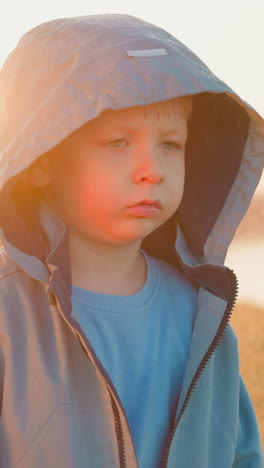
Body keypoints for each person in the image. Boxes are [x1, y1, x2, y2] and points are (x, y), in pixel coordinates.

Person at [0, 13, 263, 468]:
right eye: (118, 142)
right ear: (41, 160)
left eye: (170, 145)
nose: (152, 169)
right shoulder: (8, 313)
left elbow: (241, 453)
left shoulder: (202, 314)